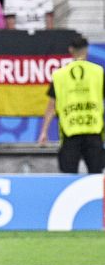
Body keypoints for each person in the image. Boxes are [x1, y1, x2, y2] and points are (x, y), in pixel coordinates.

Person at [38, 35, 105, 173]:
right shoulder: (98, 72)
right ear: (86, 50)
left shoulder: (60, 75)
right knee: (96, 176)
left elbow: (51, 106)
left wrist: (44, 131)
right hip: (94, 131)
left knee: (68, 177)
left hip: (70, 131)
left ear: (70, 50)